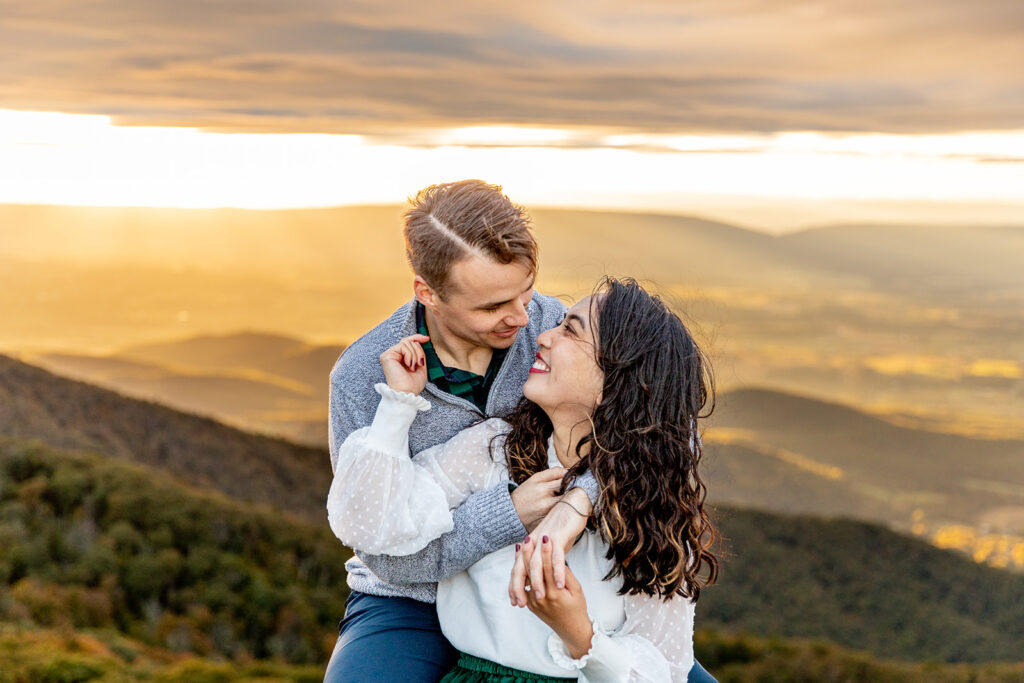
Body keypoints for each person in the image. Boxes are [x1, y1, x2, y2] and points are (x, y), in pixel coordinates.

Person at [329, 277, 719, 682]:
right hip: (411, 608)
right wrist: (398, 405)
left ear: (619, 381)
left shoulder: (655, 511)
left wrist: (579, 633)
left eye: (569, 330)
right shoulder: (492, 449)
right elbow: (376, 527)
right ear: (428, 291)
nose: (540, 333)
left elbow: (663, 665)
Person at [324, 180, 602, 683]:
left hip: (548, 580)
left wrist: (577, 501)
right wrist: (506, 515)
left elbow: (662, 435)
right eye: (492, 307)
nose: (522, 318)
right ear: (427, 292)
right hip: (415, 600)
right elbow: (385, 557)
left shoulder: (557, 330)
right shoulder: (361, 375)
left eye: (526, 290)